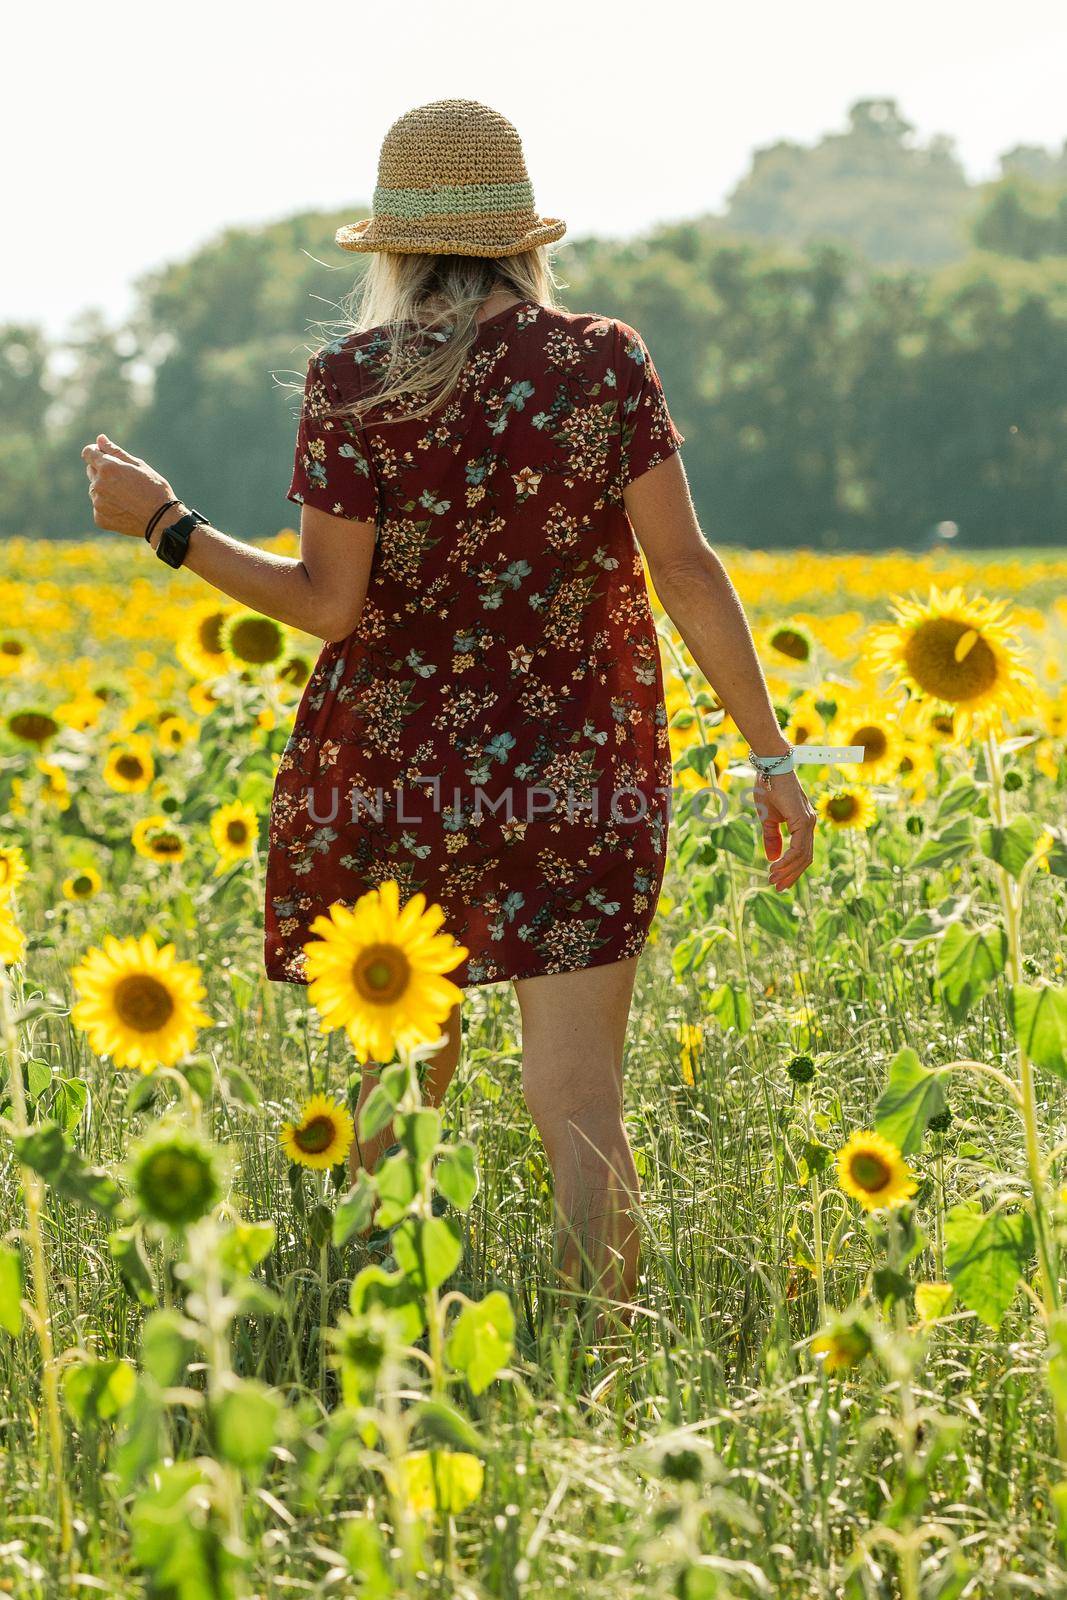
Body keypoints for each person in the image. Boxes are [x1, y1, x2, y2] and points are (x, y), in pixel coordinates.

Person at [82, 98, 816, 1335]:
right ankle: (608, 1362)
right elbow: (683, 569)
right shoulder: (603, 359)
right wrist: (770, 756)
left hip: (393, 773)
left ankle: (382, 1351)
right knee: (579, 1095)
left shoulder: (351, 381)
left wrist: (170, 528)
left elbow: (325, 604)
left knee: (395, 1092)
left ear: (393, 249)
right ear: (520, 237)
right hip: (579, 771)